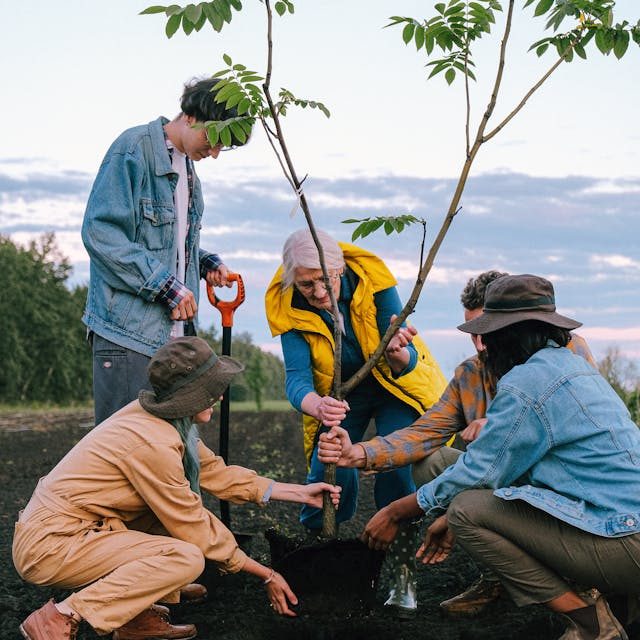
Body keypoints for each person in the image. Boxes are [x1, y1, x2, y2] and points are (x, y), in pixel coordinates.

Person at [354, 274, 640, 640]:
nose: (482, 344)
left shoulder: (527, 383)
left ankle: (590, 622)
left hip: (624, 539)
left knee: (467, 512)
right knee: (467, 499)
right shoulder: (573, 368)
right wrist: (365, 454)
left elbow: (480, 473)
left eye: (487, 333)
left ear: (509, 335)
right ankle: (622, 601)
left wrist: (398, 511)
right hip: (618, 523)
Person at [13, 337, 341, 640]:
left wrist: (299, 492)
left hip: (82, 529)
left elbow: (215, 472)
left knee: (165, 530)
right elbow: (190, 521)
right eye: (213, 390)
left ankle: (133, 619)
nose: (221, 396)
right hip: (51, 544)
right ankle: (59, 616)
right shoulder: (152, 441)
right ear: (192, 396)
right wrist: (265, 573)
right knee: (184, 558)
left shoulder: (164, 422)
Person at [264, 227, 447, 616]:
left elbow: (406, 359)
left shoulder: (374, 279)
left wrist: (398, 352)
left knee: (396, 467)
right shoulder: (286, 302)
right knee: (329, 468)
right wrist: (316, 405)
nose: (315, 293)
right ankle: (319, 556)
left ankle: (401, 575)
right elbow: (296, 378)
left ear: (340, 268)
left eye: (322, 281)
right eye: (305, 284)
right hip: (340, 395)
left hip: (394, 386)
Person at [82, 77, 242, 426]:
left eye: (223, 148)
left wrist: (204, 261)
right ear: (192, 115)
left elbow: (171, 245)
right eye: (214, 140)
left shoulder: (188, 170)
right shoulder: (133, 149)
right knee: (125, 450)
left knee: (172, 451)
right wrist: (166, 286)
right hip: (127, 335)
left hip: (174, 337)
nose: (214, 153)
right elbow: (102, 233)